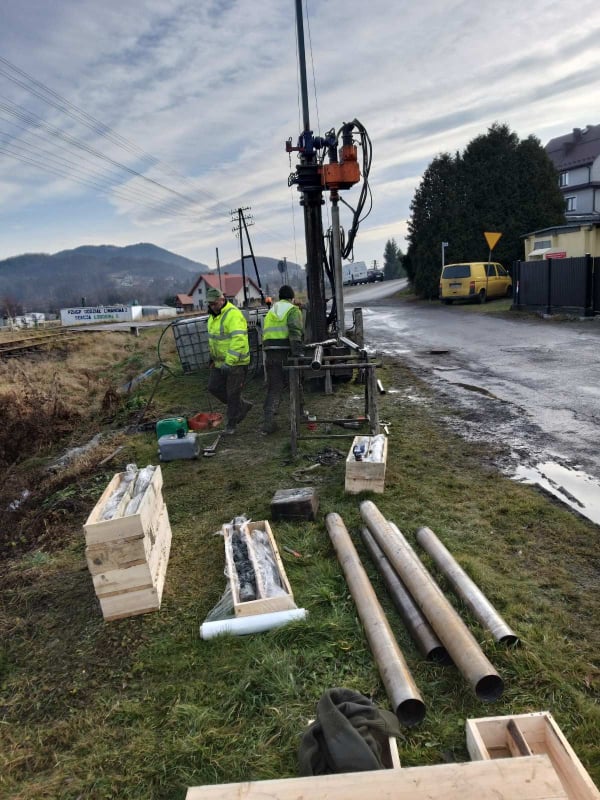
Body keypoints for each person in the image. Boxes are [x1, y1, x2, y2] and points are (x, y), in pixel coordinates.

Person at [206, 287, 252, 434]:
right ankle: (242, 406)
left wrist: (229, 362)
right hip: (219, 363)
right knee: (213, 387)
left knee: (232, 393)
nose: (212, 306)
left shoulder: (233, 315)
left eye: (214, 303)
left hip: (236, 362)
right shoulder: (212, 317)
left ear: (222, 299)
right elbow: (214, 340)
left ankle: (231, 424)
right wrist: (211, 358)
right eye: (210, 304)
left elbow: (238, 340)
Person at [261, 285, 304, 435]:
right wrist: (298, 353)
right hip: (285, 354)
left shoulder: (272, 310)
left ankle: (268, 423)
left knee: (274, 388)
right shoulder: (292, 310)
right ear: (292, 298)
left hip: (270, 354)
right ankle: (300, 414)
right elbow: (294, 331)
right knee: (295, 384)